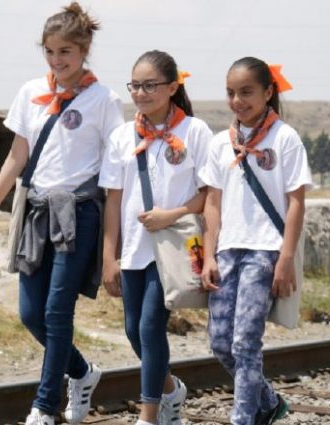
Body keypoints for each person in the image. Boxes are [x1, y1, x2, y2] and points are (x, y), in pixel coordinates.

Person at [0, 3, 124, 424]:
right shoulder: (30, 93)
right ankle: (82, 371)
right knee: (30, 314)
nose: (57, 60)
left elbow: (116, 170)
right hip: (36, 214)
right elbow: (16, 157)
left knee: (57, 312)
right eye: (50, 52)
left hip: (80, 214)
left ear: (84, 50)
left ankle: (43, 406)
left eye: (65, 52)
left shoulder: (104, 100)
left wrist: (117, 236)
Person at [99, 50, 212, 425]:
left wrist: (172, 214)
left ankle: (148, 416)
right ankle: (170, 390)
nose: (140, 93)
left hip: (174, 248)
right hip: (134, 248)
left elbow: (208, 194)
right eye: (135, 86)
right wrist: (109, 257)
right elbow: (113, 201)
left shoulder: (194, 132)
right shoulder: (121, 136)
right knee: (134, 331)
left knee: (150, 327)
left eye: (150, 86)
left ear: (173, 87)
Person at [200, 57, 313, 425]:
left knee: (245, 343)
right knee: (221, 343)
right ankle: (269, 401)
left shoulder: (285, 138)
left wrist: (286, 258)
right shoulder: (220, 143)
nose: (237, 100)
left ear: (267, 92)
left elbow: (296, 202)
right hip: (227, 252)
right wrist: (209, 254)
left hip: (265, 253)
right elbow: (212, 202)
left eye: (246, 92)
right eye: (231, 93)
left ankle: (243, 419)